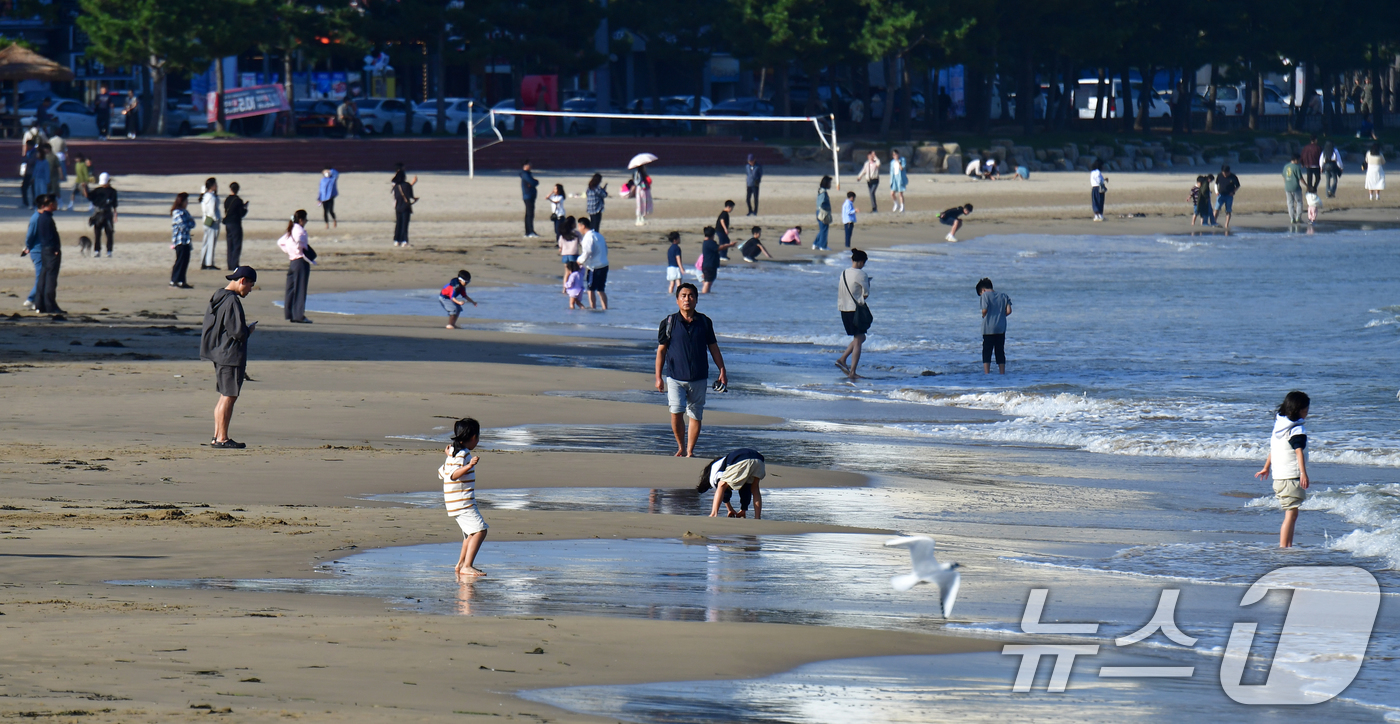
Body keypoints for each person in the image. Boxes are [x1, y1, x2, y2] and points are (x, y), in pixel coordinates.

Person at [654, 282, 727, 457]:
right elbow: (661, 351)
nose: (687, 299)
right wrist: (658, 377)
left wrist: (722, 370)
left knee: (695, 414)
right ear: (677, 300)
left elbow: (713, 348)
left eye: (691, 296)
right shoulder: (668, 322)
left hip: (699, 377)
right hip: (674, 377)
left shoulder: (704, 322)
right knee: (676, 411)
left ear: (696, 300)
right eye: (683, 296)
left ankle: (690, 450)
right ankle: (680, 446)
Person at [200, 266, 258, 449]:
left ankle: (217, 436)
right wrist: (248, 331)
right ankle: (222, 438)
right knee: (229, 396)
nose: (250, 290)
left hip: (220, 352)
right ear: (242, 280)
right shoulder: (231, 301)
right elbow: (237, 332)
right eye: (250, 285)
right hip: (230, 355)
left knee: (225, 396)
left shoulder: (219, 295)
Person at [1254, 391, 1310, 549]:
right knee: (1290, 514)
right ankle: (1284, 548)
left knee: (1292, 513)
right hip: (1291, 477)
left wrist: (1266, 467)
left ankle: (1287, 546)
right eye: (1305, 411)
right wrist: (1303, 473)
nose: (1306, 414)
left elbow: (1275, 449)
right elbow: (1298, 451)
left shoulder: (1279, 426)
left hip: (1279, 477)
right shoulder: (1296, 429)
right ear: (1297, 410)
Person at [439, 418, 488, 577]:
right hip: (462, 502)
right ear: (473, 437)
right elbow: (453, 475)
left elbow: (442, 473)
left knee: (470, 533)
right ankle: (467, 565)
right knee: (480, 530)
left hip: (456, 502)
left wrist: (450, 457)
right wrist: (469, 466)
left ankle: (460, 564)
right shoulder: (462, 454)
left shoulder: (453, 454)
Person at [698, 448, 766, 519]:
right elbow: (746, 490)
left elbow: (722, 488)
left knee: (721, 484)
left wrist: (729, 509)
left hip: (743, 459)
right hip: (759, 460)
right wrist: (743, 509)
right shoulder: (727, 460)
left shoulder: (716, 467)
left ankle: (713, 514)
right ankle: (757, 517)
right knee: (755, 488)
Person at [836, 249, 871, 379]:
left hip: (843, 309)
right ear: (862, 262)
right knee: (858, 340)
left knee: (861, 338)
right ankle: (852, 372)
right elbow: (865, 295)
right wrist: (868, 284)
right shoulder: (862, 274)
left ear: (852, 260)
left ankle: (842, 359)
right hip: (855, 310)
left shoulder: (844, 272)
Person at [26, 195, 62, 314]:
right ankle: (48, 304)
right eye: (55, 203)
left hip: (45, 250)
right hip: (47, 251)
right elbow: (45, 236)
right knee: (49, 278)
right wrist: (54, 248)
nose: (56, 205)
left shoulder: (43, 217)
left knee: (43, 277)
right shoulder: (43, 218)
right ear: (49, 205)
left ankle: (39, 304)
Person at [279, 210, 312, 323]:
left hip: (292, 261)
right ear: (301, 220)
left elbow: (280, 242)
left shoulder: (291, 230)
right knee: (300, 289)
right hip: (300, 261)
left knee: (291, 289)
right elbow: (298, 240)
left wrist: (289, 251)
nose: (306, 222)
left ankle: (290, 313)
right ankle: (298, 315)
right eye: (306, 219)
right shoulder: (300, 231)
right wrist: (299, 249)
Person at [977, 277, 1012, 374]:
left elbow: (984, 310)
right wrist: (1000, 315)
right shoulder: (1004, 295)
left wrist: (983, 315)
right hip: (1001, 328)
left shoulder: (985, 295)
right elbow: (1009, 311)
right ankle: (1002, 372)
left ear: (983, 290)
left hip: (988, 328)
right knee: (1000, 351)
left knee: (987, 351)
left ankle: (987, 373)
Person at [576, 217, 608, 310]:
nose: (578, 229)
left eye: (579, 226)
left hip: (595, 267)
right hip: (604, 264)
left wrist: (580, 261)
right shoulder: (598, 235)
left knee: (591, 290)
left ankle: (593, 308)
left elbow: (588, 251)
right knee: (601, 289)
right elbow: (605, 249)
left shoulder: (588, 237)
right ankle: (605, 308)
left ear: (583, 226)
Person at [88, 173, 118, 258]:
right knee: (97, 234)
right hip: (98, 214)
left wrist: (115, 215)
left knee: (109, 233)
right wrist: (84, 188)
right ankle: (97, 251)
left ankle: (109, 251)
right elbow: (88, 196)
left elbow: (115, 204)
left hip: (108, 214)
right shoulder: (97, 191)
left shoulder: (113, 191)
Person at [170, 193, 196, 289]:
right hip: (179, 240)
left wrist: (189, 222)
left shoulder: (185, 212)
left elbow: (193, 223)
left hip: (186, 240)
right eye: (186, 201)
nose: (187, 203)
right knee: (180, 260)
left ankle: (182, 280)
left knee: (185, 260)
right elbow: (183, 226)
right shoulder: (177, 212)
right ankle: (174, 280)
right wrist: (189, 222)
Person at [223, 182, 248, 270]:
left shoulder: (227, 200)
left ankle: (230, 264)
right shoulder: (238, 200)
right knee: (237, 244)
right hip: (235, 223)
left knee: (230, 244)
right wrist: (245, 208)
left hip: (228, 223)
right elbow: (241, 213)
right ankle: (234, 264)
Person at [198, 178, 221, 270]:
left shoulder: (205, 196)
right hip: (211, 221)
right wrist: (216, 219)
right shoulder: (211, 197)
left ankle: (203, 261)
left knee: (206, 241)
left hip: (206, 220)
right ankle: (209, 263)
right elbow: (212, 211)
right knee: (211, 242)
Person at [392, 169, 416, 246]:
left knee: (398, 224)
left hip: (398, 207)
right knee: (404, 225)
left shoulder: (396, 186)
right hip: (405, 207)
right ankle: (404, 241)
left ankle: (396, 240)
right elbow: (410, 196)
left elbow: (396, 196)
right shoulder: (407, 185)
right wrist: (413, 183)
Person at [557, 215, 581, 288]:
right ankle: (572, 287)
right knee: (574, 273)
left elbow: (560, 244)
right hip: (573, 255)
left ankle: (564, 288)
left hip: (565, 255)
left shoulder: (563, 235)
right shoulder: (576, 233)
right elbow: (582, 242)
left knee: (567, 273)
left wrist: (561, 248)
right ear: (573, 224)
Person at [1215, 165, 1241, 230]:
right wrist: (1216, 191)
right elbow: (1216, 184)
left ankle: (1226, 224)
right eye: (1223, 173)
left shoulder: (1233, 177)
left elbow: (1237, 185)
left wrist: (1233, 192)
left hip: (1229, 196)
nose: (1225, 174)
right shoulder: (1219, 175)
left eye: (1226, 173)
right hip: (1220, 195)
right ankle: (1214, 222)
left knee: (1228, 210)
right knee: (1216, 209)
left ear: (1229, 172)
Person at [519, 160, 539, 237]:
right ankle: (530, 231)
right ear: (525, 166)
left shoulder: (526, 174)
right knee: (530, 214)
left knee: (529, 214)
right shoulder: (525, 174)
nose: (531, 166)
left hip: (529, 196)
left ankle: (529, 231)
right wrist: (535, 182)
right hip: (528, 196)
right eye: (529, 165)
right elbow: (534, 182)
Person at [1282, 153, 1304, 222]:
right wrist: (1307, 185)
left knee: (1290, 203)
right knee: (1299, 202)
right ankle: (1298, 217)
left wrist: (1286, 183)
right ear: (1295, 160)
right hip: (1296, 187)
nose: (1299, 161)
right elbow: (1300, 178)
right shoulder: (1297, 167)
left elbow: (1283, 176)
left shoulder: (1286, 166)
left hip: (1287, 187)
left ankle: (1292, 218)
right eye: (1299, 160)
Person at [814, 176, 833, 250]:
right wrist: (825, 207)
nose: (830, 185)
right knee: (824, 229)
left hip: (820, 212)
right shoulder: (823, 192)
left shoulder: (821, 191)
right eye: (830, 183)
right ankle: (822, 246)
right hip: (823, 212)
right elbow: (821, 203)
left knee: (822, 229)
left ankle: (816, 244)